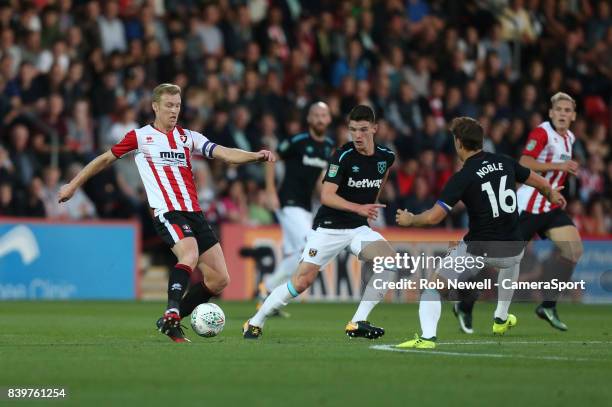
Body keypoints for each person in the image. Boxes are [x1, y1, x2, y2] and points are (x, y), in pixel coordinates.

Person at [58, 83, 274, 343]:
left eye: (178, 106)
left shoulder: (188, 137)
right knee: (189, 253)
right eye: (169, 106)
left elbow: (225, 154)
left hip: (194, 213)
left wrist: (256, 156)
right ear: (155, 106)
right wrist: (72, 185)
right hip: (167, 212)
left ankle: (170, 320)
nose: (174, 111)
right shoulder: (140, 137)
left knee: (219, 280)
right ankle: (172, 309)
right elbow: (104, 159)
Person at [394, 117, 565, 349]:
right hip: (515, 248)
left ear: (458, 143)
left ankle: (427, 337)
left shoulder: (463, 177)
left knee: (434, 285)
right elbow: (539, 182)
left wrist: (411, 219)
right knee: (511, 261)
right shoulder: (505, 162)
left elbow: (433, 218)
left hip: (480, 249)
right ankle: (501, 317)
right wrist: (551, 194)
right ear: (481, 141)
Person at [243, 105, 396, 339]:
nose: (358, 136)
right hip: (329, 228)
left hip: (358, 228)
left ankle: (357, 322)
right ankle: (255, 322)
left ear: (375, 129)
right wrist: (360, 208)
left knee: (390, 262)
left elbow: (381, 177)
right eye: (353, 130)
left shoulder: (386, 157)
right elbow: (327, 196)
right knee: (302, 281)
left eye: (364, 130)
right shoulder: (342, 156)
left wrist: (368, 207)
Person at [455, 92, 583, 333]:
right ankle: (465, 304)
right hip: (526, 207)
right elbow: (524, 162)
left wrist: (554, 191)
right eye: (559, 110)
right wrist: (558, 167)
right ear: (551, 113)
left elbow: (556, 173)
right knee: (498, 261)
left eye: (568, 110)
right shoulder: (542, 133)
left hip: (549, 206)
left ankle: (547, 305)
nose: (563, 114)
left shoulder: (570, 138)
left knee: (574, 249)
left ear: (573, 115)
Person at [257, 102, 334, 314]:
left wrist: (329, 199)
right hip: (288, 202)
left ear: (329, 119)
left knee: (295, 255)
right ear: (309, 119)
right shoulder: (297, 141)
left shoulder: (328, 145)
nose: (320, 118)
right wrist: (271, 190)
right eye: (316, 115)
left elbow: (319, 180)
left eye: (323, 115)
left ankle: (267, 291)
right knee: (308, 248)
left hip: (306, 206)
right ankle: (269, 288)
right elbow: (271, 159)